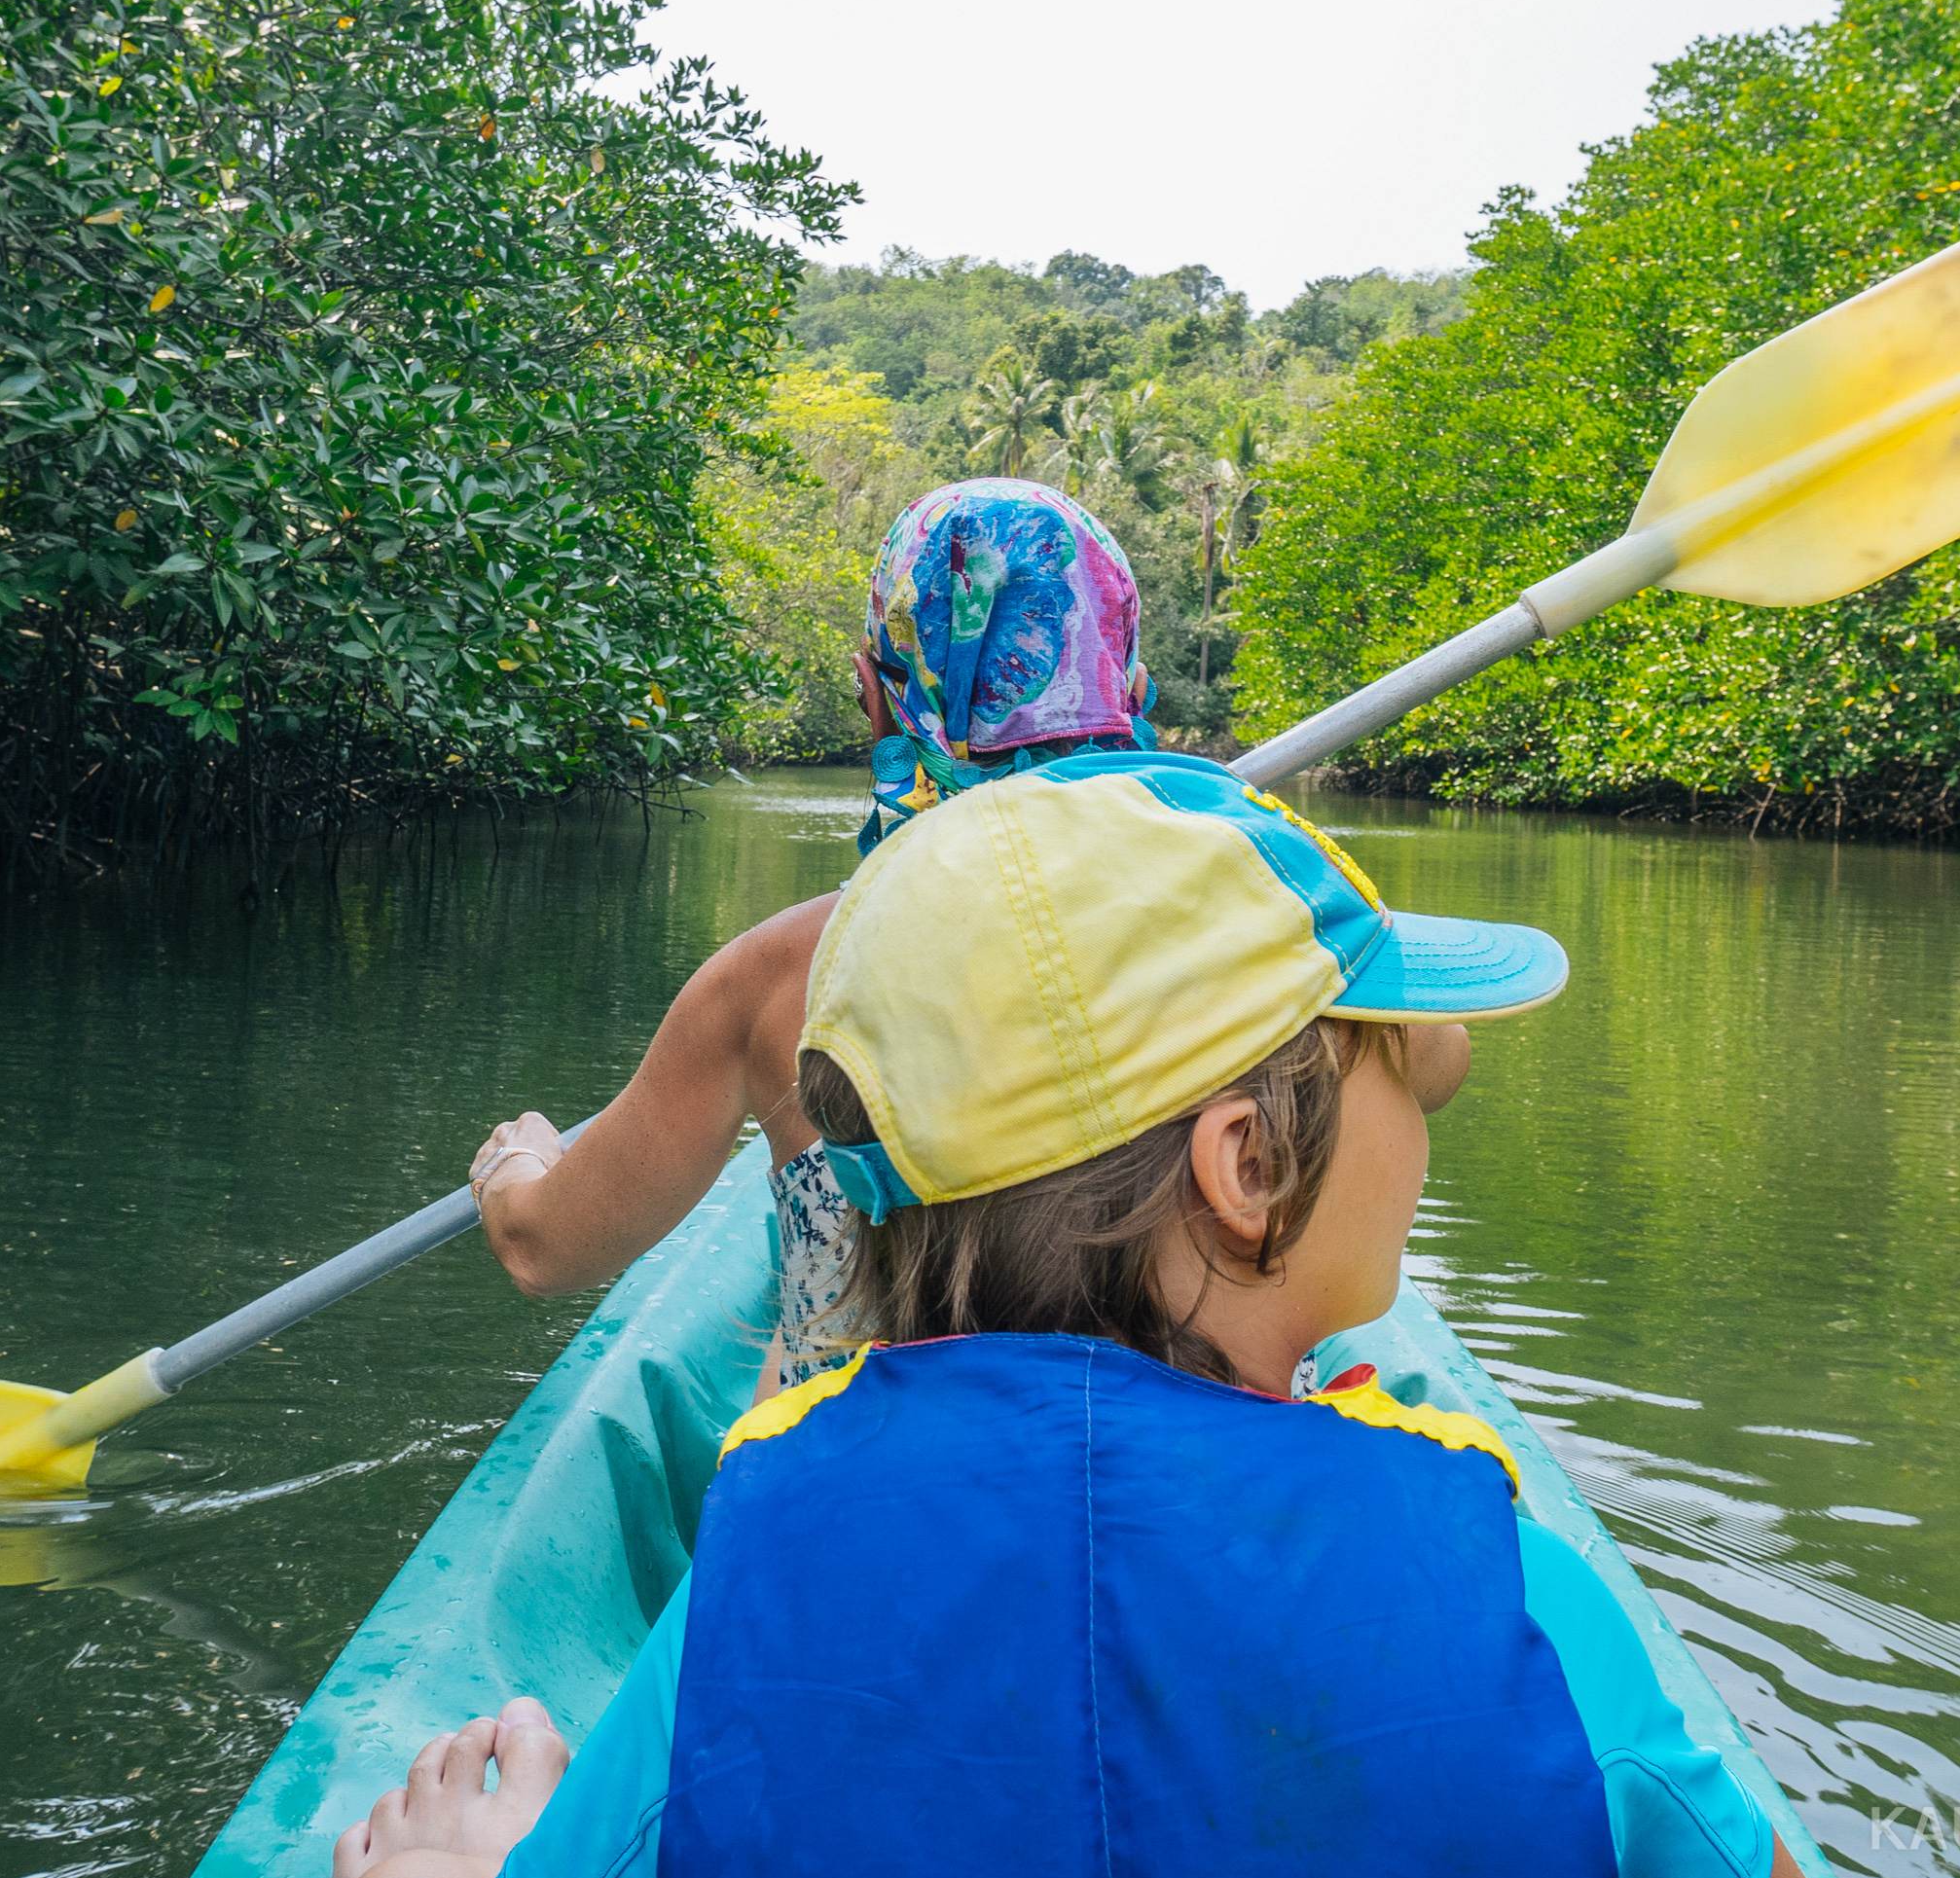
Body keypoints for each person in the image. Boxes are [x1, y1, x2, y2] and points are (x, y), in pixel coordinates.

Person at [333, 751, 1822, 1878]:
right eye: (1384, 1061)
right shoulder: (1499, 1567)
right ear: (1249, 1172)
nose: (1427, 1098)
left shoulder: (761, 1557)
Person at [465, 475, 1468, 1391]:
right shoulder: (1260, 917)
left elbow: (546, 1249)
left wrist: (516, 1165)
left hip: (855, 1507)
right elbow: (1435, 1061)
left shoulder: (781, 975)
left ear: (876, 694)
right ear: (1132, 689)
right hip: (1203, 1497)